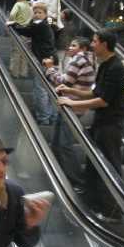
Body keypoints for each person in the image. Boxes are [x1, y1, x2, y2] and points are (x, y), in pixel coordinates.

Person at [57, 31, 124, 221]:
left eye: (95, 42)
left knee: (109, 167)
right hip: (101, 123)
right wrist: (70, 90)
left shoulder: (116, 68)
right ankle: (94, 205)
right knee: (94, 166)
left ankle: (113, 212)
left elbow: (103, 100)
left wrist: (72, 103)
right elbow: (95, 93)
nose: (92, 45)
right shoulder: (105, 65)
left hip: (112, 125)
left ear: (104, 44)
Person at [44, 37, 96, 187]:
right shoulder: (90, 60)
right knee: (56, 143)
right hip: (75, 106)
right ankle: (59, 175)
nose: (70, 47)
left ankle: (77, 181)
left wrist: (50, 68)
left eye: (74, 45)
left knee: (64, 144)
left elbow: (64, 82)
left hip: (71, 106)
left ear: (83, 48)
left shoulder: (79, 59)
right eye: (70, 45)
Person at [10, 2, 57, 125]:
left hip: (44, 60)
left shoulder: (40, 25)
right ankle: (52, 117)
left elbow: (27, 31)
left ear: (45, 14)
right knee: (49, 90)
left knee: (40, 89)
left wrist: (13, 25)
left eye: (40, 12)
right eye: (35, 12)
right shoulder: (47, 25)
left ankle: (43, 118)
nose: (36, 15)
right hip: (51, 59)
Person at [6, 0, 33, 79]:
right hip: (27, 33)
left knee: (16, 52)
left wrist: (10, 22)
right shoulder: (30, 7)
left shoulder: (18, 4)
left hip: (18, 31)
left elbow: (12, 15)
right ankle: (23, 73)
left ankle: (14, 72)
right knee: (24, 53)